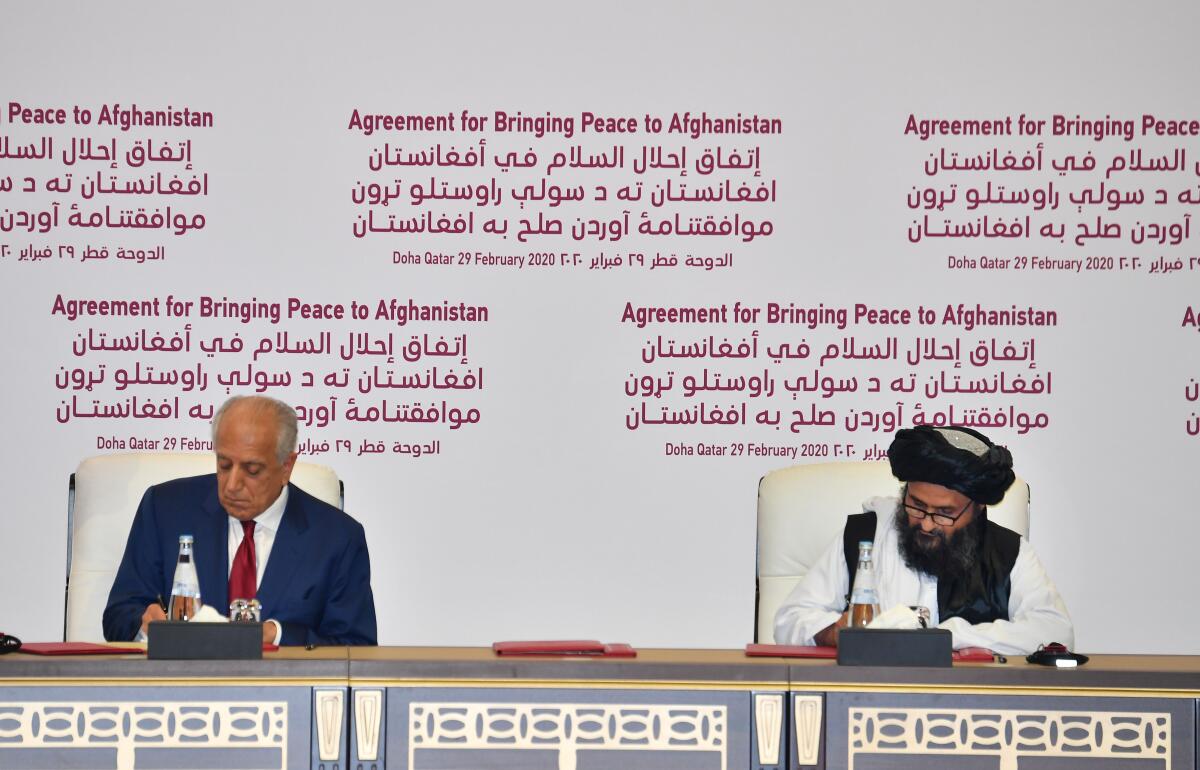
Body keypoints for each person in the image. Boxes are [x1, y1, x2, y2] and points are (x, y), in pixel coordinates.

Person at [103, 395, 377, 646]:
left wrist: (278, 635)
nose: (232, 484)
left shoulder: (337, 538)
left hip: (283, 693)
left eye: (252, 470)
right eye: (224, 465)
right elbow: (118, 616)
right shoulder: (165, 510)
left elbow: (356, 648)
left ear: (286, 467)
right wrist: (144, 624)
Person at [774, 425, 1072, 655]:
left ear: (978, 508)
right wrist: (833, 633)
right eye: (916, 505)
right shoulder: (864, 536)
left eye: (945, 513)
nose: (927, 523)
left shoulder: (1010, 552)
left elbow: (1056, 633)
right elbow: (789, 620)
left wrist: (946, 637)